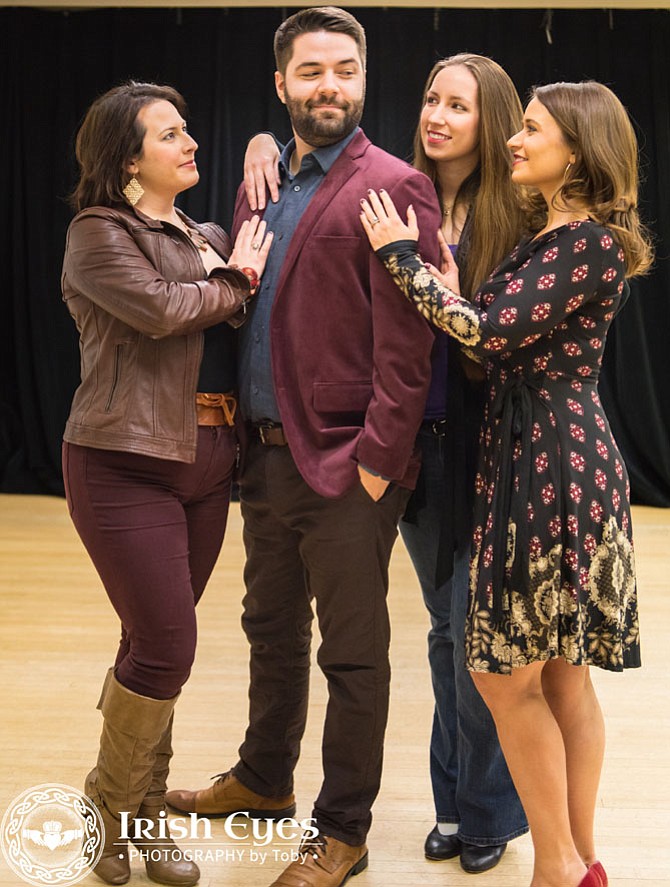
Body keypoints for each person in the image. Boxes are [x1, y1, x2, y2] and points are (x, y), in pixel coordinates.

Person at [164, 8, 440, 887]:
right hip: (266, 456)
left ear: (364, 80)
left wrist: (377, 461)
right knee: (270, 629)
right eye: (312, 72)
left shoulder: (395, 185)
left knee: (352, 653)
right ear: (282, 84)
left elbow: (410, 348)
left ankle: (343, 829)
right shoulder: (269, 184)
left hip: (347, 465)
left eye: (346, 70)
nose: (331, 86)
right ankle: (262, 777)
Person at [242, 53, 529, 874]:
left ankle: (486, 810)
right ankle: (454, 802)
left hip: (482, 444)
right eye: (432, 99)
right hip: (416, 448)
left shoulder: (513, 213)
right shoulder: (406, 188)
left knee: (476, 639)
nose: (437, 116)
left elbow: (494, 347)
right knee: (445, 632)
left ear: (493, 120)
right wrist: (267, 140)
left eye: (459, 106)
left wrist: (436, 287)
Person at [360, 80, 652, 887]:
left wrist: (402, 261)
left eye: (531, 128)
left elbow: (485, 332)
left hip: (552, 462)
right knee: (559, 673)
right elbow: (494, 339)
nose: (514, 140)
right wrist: (451, 286)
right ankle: (581, 861)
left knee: (502, 671)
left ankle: (559, 862)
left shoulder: (585, 241)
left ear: (579, 149)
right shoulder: (547, 236)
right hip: (537, 450)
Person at [62, 81, 272, 886]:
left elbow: (267, 202)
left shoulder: (207, 233)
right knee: (169, 643)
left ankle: (141, 825)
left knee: (153, 649)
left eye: (188, 129)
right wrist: (239, 282)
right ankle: (109, 815)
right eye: (169, 134)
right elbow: (158, 308)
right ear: (126, 159)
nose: (189, 143)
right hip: (122, 460)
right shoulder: (97, 232)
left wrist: (260, 139)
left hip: (211, 460)